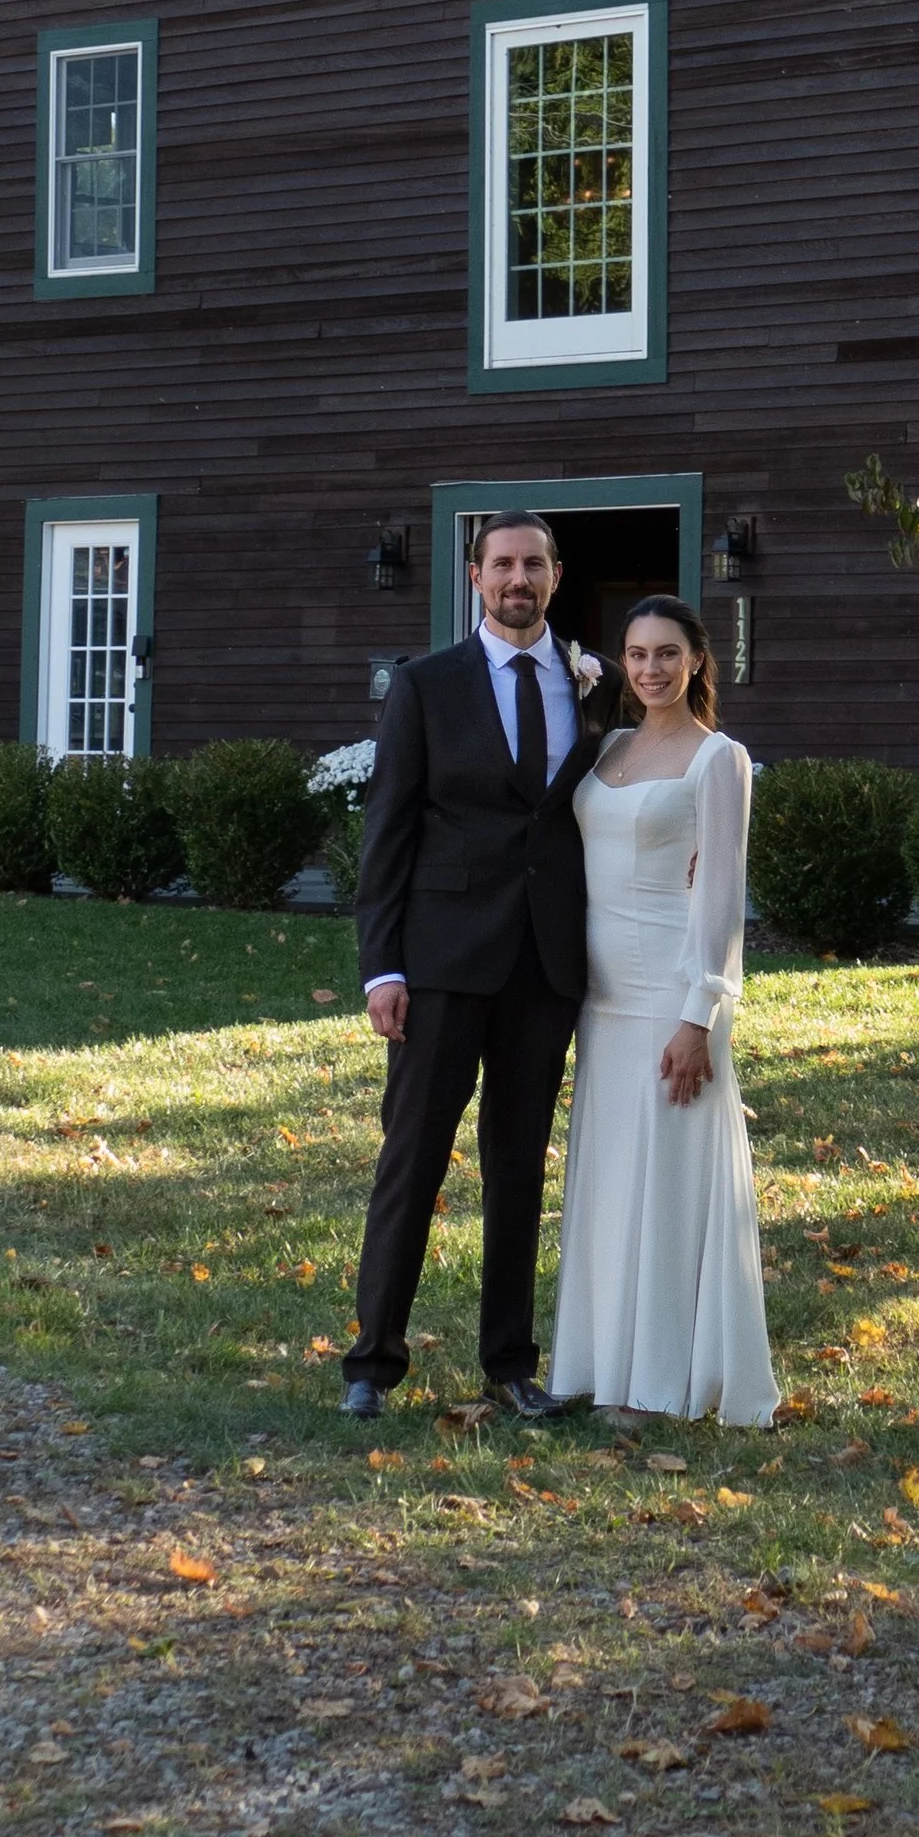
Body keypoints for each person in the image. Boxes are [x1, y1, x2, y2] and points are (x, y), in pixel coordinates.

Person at [343, 511, 600, 1425]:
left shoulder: (591, 686)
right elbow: (389, 833)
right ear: (474, 575)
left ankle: (510, 1363)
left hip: (544, 965)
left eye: (534, 563)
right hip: (442, 962)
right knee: (411, 1159)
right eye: (502, 564)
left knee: (519, 1166)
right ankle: (372, 1361)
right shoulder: (425, 685)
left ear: (556, 575)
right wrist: (383, 969)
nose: (518, 578)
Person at [549, 595, 780, 1427]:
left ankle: (659, 1381)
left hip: (666, 999)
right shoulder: (608, 746)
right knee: (609, 1188)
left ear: (696, 662)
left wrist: (700, 1015)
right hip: (600, 1001)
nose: (650, 669)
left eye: (667, 654)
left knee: (668, 1187)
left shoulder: (718, 759)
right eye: (638, 653)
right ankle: (596, 1362)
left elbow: (719, 901)